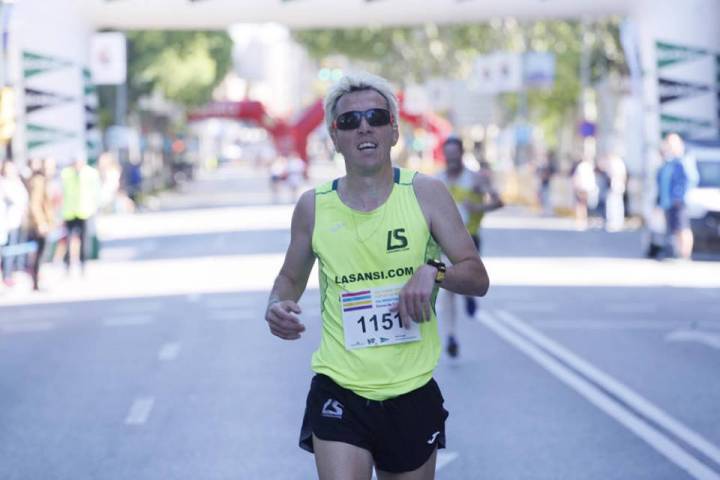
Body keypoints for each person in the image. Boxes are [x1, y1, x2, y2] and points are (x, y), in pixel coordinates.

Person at [264, 72, 489, 480]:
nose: (364, 126)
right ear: (334, 137)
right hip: (339, 387)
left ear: (394, 132)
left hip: (412, 390)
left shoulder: (426, 194)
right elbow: (289, 277)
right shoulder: (314, 207)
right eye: (349, 121)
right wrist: (276, 304)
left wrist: (433, 271)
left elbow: (477, 277)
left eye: (376, 117)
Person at [436, 137, 502, 358]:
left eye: (455, 153)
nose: (452, 158)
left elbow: (499, 201)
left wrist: (479, 206)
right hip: (443, 241)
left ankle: (469, 293)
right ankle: (451, 336)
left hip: (469, 239)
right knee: (446, 286)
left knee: (466, 281)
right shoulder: (437, 180)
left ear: (461, 154)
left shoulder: (474, 178)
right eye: (448, 154)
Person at [60, 156, 100, 274]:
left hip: (85, 211)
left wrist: (95, 207)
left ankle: (83, 265)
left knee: (84, 240)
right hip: (69, 212)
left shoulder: (91, 173)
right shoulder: (66, 174)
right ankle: (67, 264)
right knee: (67, 240)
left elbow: (96, 192)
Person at [657, 133, 693, 259]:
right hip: (667, 201)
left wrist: (679, 195)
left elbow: (690, 180)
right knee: (674, 228)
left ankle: (685, 255)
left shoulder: (683, 161)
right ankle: (676, 252)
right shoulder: (669, 161)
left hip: (678, 201)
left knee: (682, 228)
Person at [27, 158, 55, 291]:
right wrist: (41, 222)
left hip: (44, 222)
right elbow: (35, 203)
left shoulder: (44, 181)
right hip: (39, 224)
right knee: (40, 252)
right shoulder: (39, 181)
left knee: (42, 252)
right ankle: (36, 281)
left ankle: (37, 280)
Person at [0, 160, 29, 286]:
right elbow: (14, 199)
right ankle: (6, 275)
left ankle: (9, 273)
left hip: (16, 221)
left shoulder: (17, 182)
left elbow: (24, 197)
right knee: (6, 250)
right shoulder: (3, 183)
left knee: (12, 249)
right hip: (6, 223)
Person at [605, 154, 627, 232]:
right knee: (615, 205)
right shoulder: (619, 163)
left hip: (616, 186)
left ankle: (615, 222)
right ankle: (615, 222)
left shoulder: (616, 163)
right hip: (616, 186)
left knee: (615, 205)